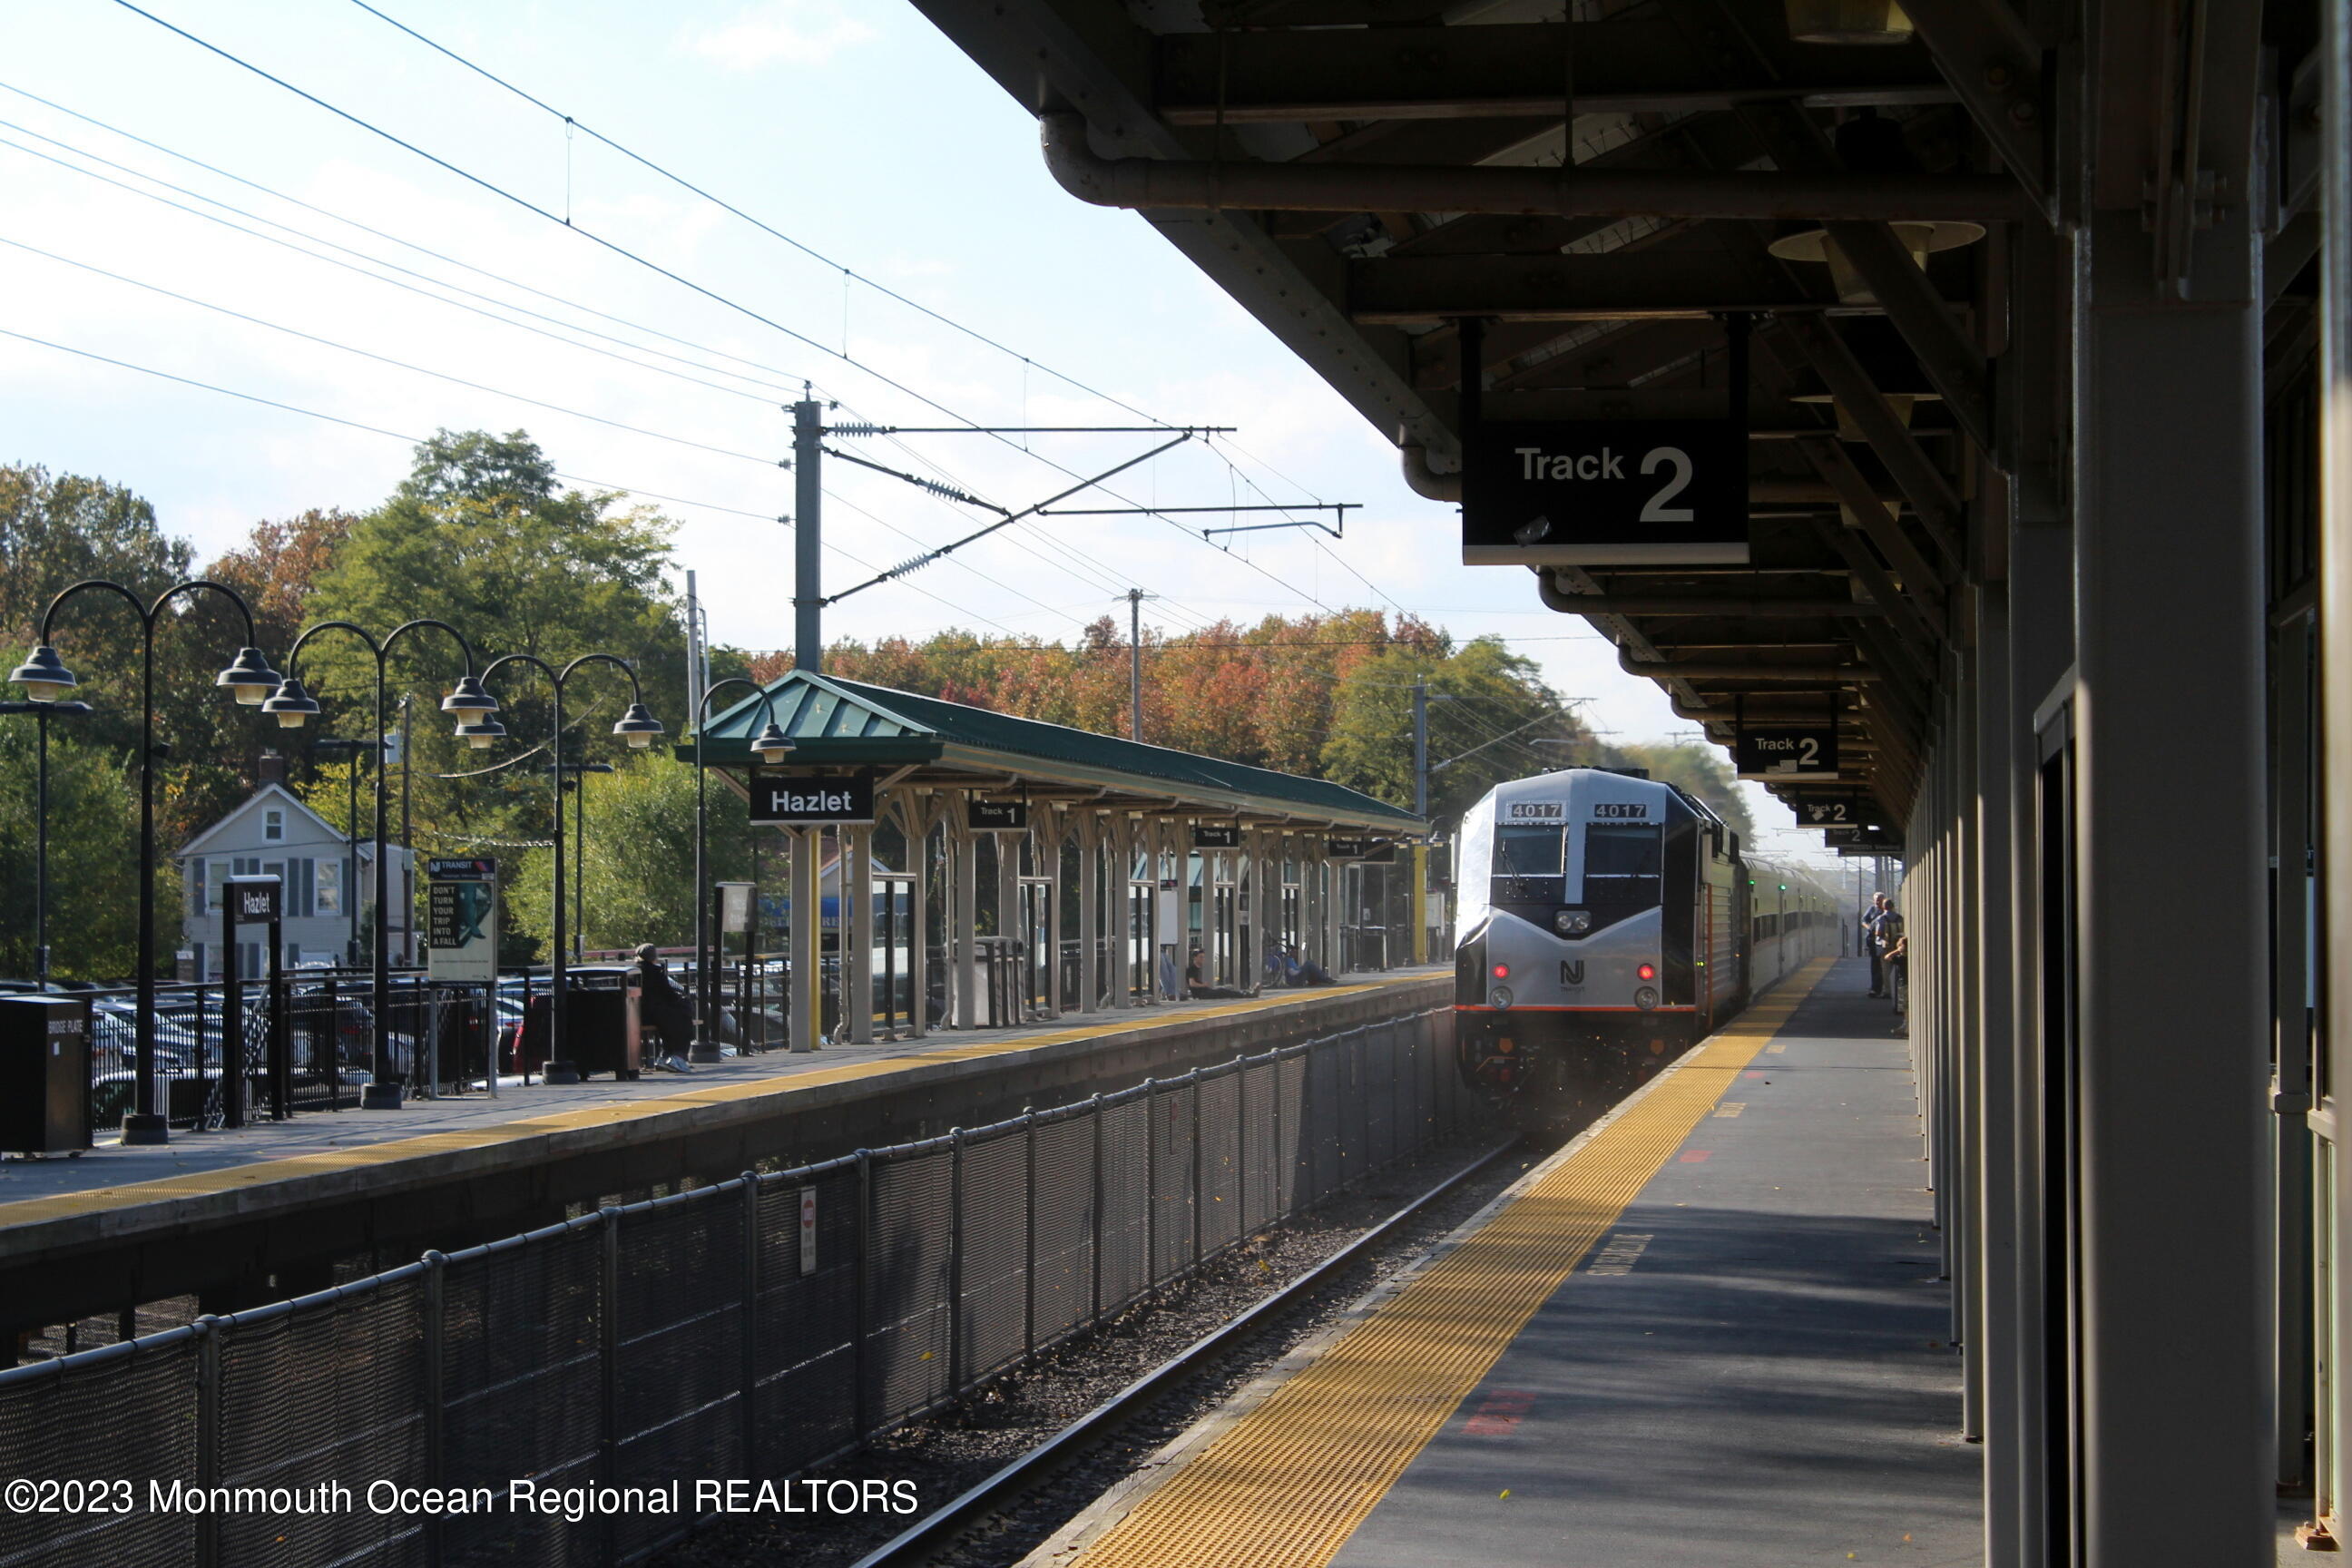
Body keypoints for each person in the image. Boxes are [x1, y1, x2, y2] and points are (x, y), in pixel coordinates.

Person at [631, 944, 694, 1073]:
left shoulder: (632, 972)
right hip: (653, 1014)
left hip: (635, 1013)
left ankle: (666, 1056)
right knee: (683, 1018)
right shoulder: (655, 972)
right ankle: (677, 1056)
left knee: (670, 1022)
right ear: (654, 957)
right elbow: (669, 995)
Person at [1186, 947, 1256, 1000]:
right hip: (1201, 994)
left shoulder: (1198, 968)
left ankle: (1247, 993)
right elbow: (1192, 984)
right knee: (1223, 991)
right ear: (1195, 958)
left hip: (1205, 992)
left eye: (1203, 957)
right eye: (1200, 957)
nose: (1202, 959)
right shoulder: (1192, 969)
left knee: (1224, 990)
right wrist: (1203, 985)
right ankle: (1247, 994)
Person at [1862, 893, 1890, 996]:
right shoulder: (1872, 909)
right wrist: (1869, 927)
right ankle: (1876, 987)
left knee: (1885, 965)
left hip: (1884, 941)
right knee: (1875, 964)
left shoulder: (1887, 911)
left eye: (1880, 900)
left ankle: (1885, 988)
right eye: (1876, 900)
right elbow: (1864, 920)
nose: (1877, 902)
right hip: (1873, 940)